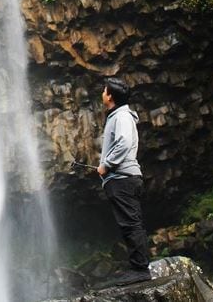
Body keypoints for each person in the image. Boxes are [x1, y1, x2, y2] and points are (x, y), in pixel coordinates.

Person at [97, 77, 151, 286]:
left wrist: (106, 165)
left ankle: (140, 269)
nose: (102, 93)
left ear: (110, 96)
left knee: (131, 223)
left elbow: (124, 143)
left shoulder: (122, 117)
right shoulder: (118, 116)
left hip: (123, 179)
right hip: (120, 180)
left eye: (104, 90)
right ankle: (138, 267)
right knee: (128, 223)